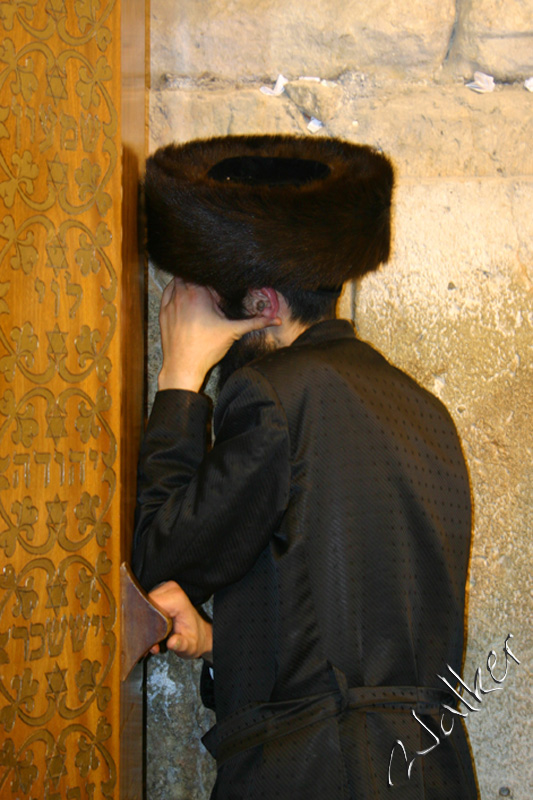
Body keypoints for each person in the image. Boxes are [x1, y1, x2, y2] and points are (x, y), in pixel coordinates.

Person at [132, 136, 478, 799]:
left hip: (316, 773)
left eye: (202, 301)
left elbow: (160, 553)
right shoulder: (420, 409)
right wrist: (215, 640)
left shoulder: (277, 392)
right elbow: (345, 625)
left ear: (261, 304)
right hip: (426, 772)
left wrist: (179, 377)